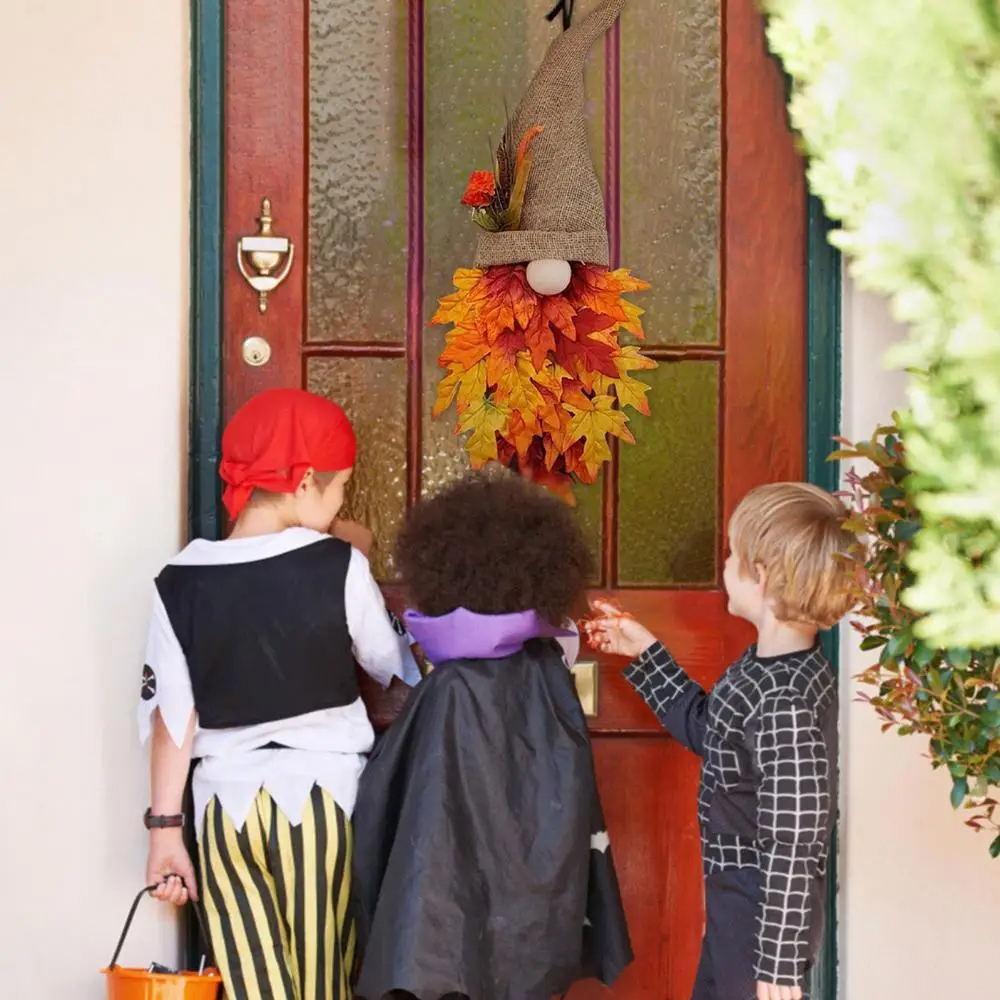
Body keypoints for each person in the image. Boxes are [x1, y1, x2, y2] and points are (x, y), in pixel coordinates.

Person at [137, 387, 404, 1000]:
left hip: (224, 810)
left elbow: (173, 722)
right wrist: (351, 552)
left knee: (255, 988)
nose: (340, 504)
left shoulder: (178, 581)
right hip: (322, 804)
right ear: (307, 481)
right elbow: (387, 663)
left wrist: (164, 832)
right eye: (340, 489)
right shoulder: (337, 562)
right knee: (321, 985)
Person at [351, 470, 633, 1000]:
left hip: (445, 938)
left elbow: (389, 809)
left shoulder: (453, 690)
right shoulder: (547, 671)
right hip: (530, 924)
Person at [584, 482, 855, 1000]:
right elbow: (714, 732)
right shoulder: (763, 669)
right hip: (735, 895)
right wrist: (645, 653)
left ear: (766, 575)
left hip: (762, 909)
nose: (724, 562)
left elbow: (795, 838)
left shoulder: (788, 699)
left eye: (733, 553)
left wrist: (777, 959)